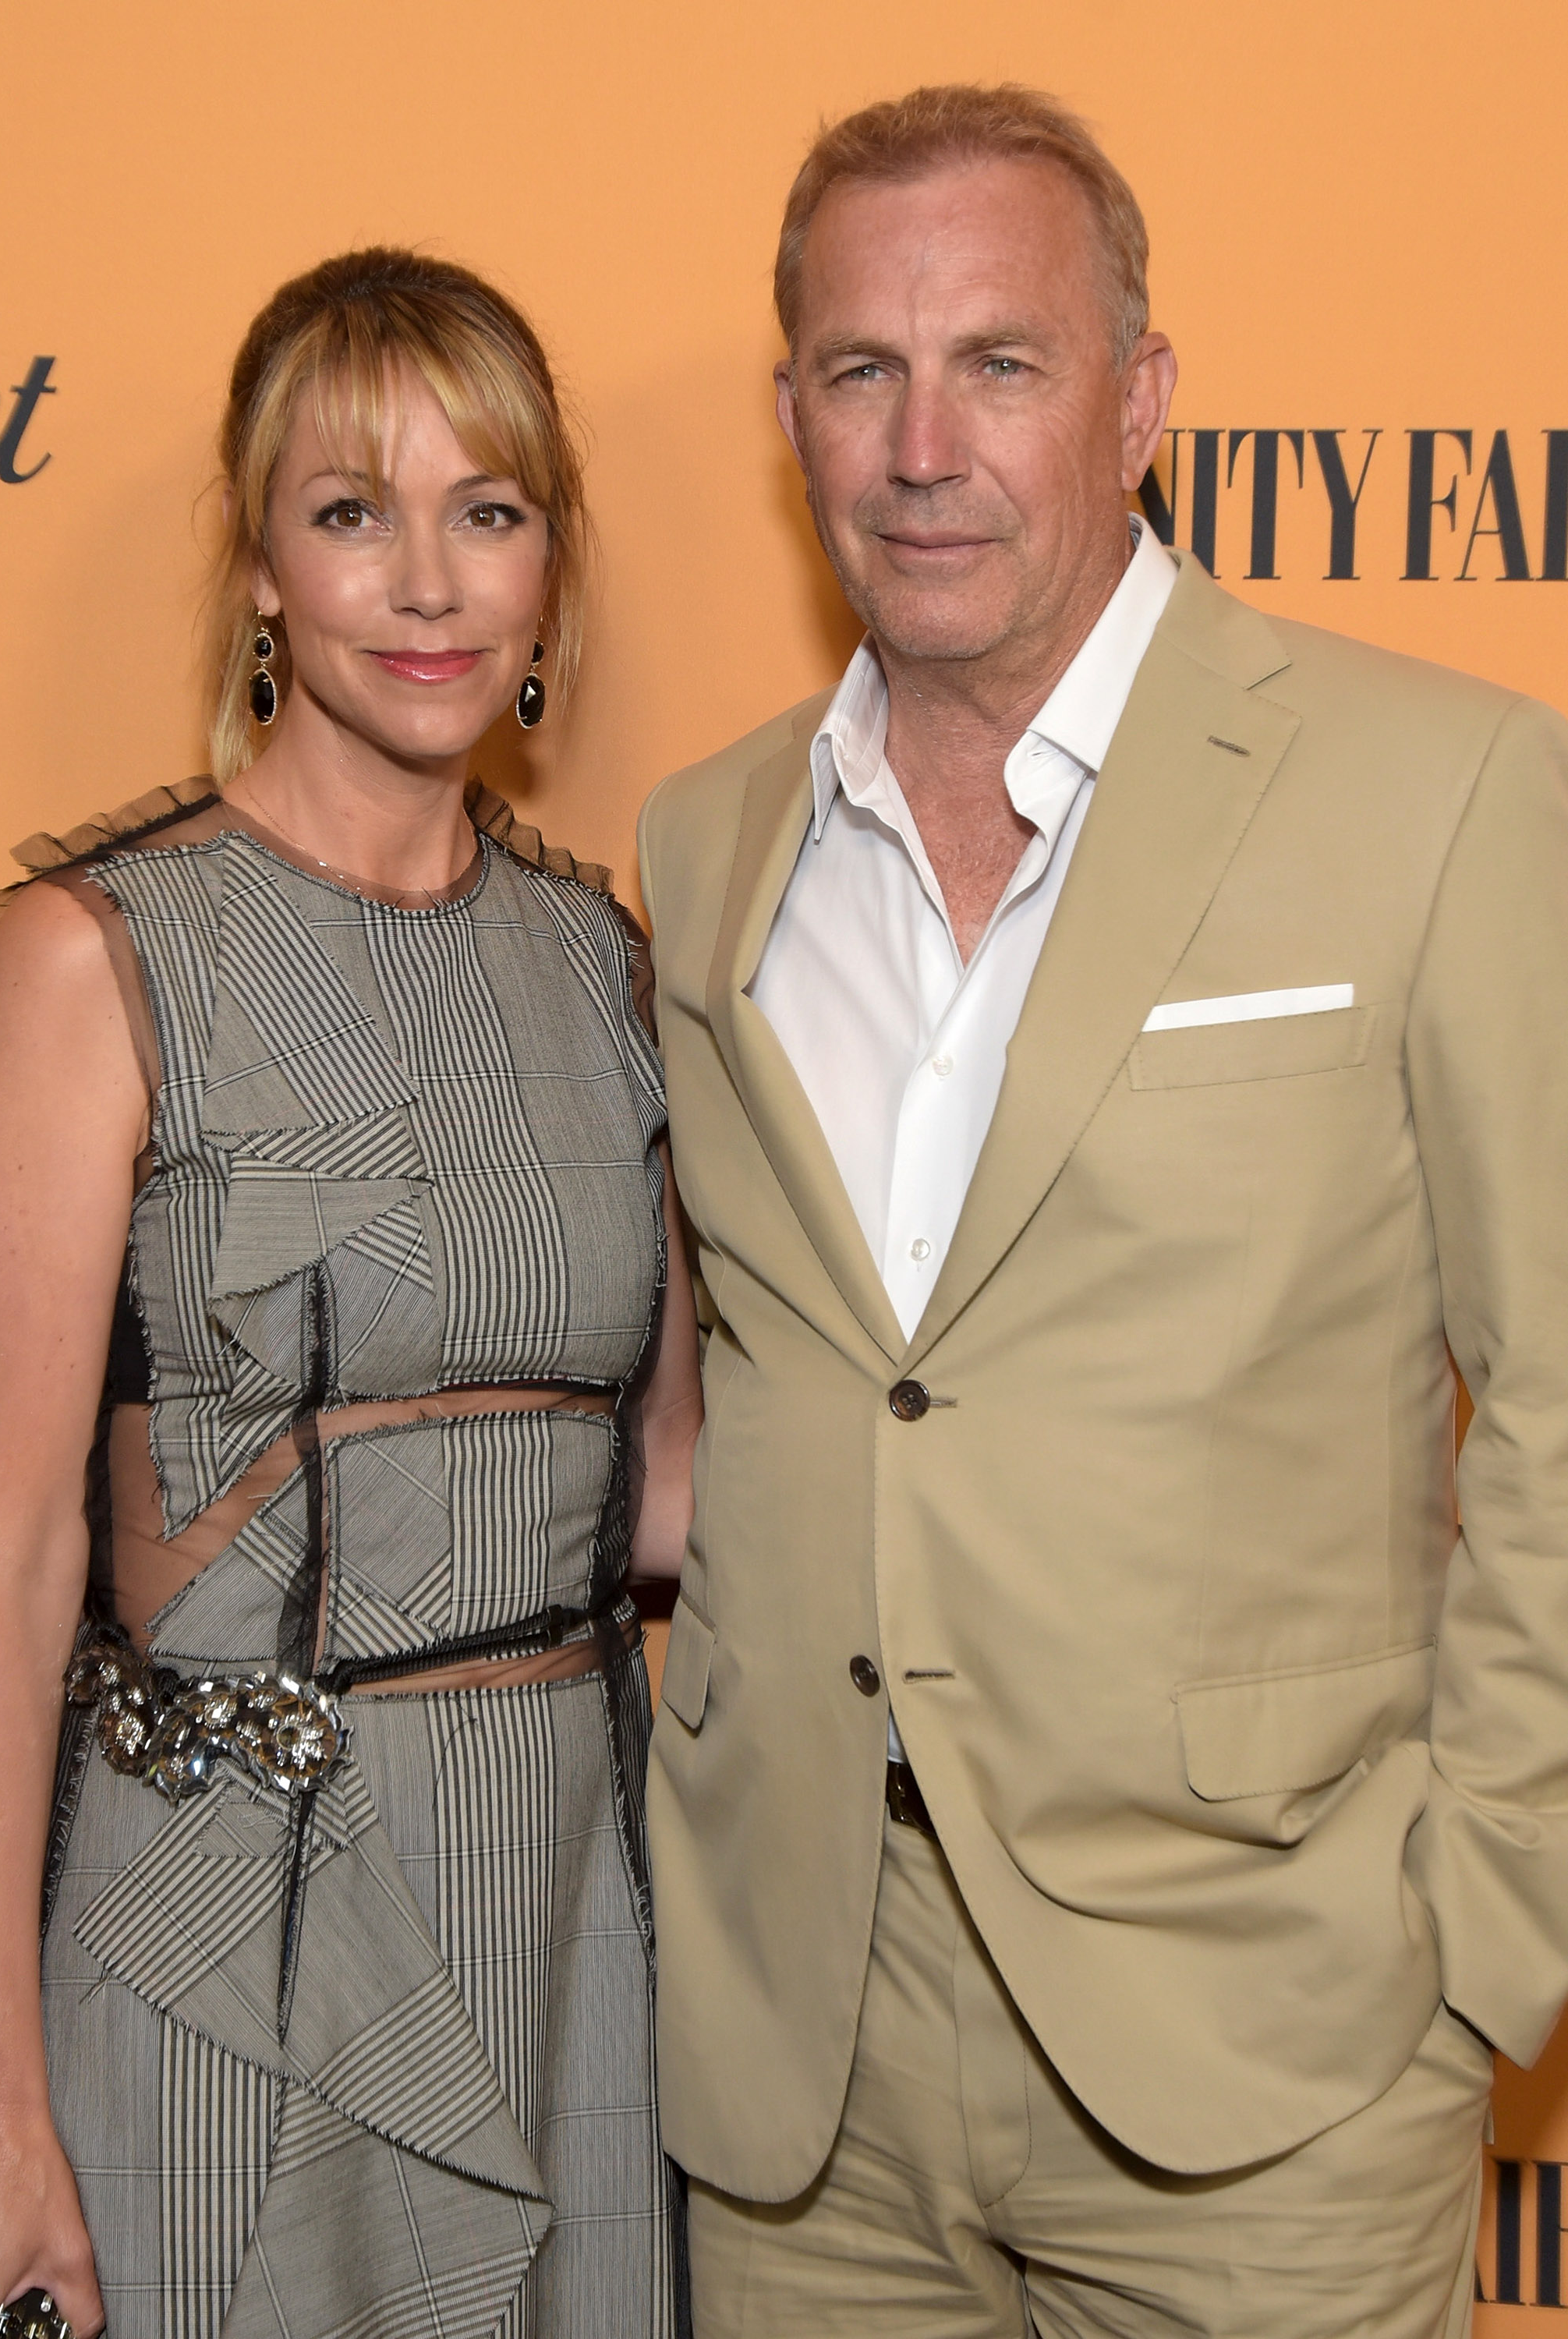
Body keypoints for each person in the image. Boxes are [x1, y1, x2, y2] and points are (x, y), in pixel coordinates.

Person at [639, 81, 1568, 2338]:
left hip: (1265, 2055)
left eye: (1001, 362)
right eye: (860, 370)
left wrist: (1484, 1932)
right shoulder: (704, 847)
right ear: (792, 415)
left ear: (1138, 400)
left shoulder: (1438, 789)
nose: (921, 443)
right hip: (798, 2063)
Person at [0, 246, 698, 2339]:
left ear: (544, 573)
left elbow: (669, 1492)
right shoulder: (100, 958)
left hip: (567, 1924)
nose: (425, 584)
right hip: (217, 1925)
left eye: (484, 512)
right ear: (258, 570)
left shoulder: (608, 966)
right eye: (351, 514)